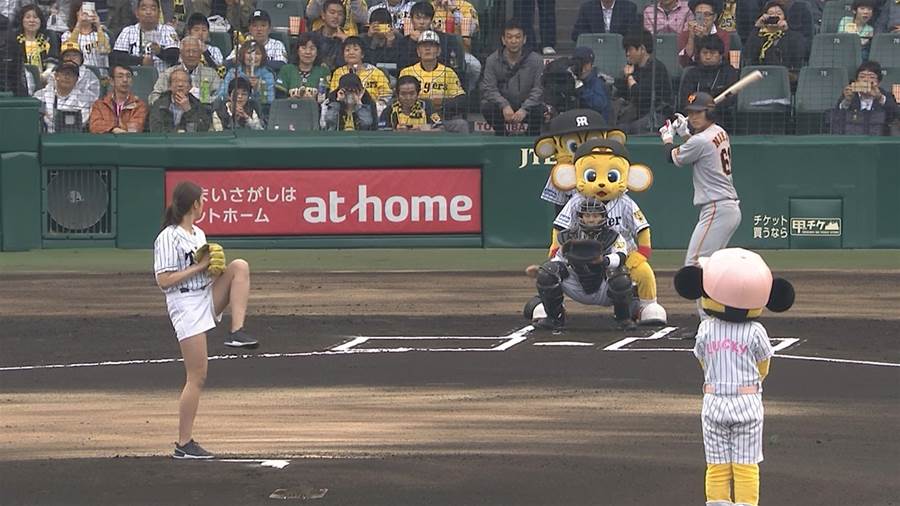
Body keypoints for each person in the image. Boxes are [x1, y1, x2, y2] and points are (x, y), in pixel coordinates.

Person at [674, 248, 794, 506]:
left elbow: (703, 359)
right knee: (746, 464)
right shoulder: (756, 331)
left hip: (714, 401)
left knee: (717, 465)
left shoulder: (706, 328)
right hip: (748, 403)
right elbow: (764, 365)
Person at [154, 180, 258, 459]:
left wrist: (214, 270)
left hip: (204, 295)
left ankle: (237, 331)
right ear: (195, 204)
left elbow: (204, 272)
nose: (205, 205)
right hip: (185, 305)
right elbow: (164, 281)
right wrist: (199, 267)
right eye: (202, 200)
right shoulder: (168, 237)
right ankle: (184, 444)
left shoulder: (199, 233)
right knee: (197, 376)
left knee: (239, 267)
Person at [529, 198, 637, 331]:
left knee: (621, 276)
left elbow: (621, 257)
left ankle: (623, 318)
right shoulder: (568, 236)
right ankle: (554, 318)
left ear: (603, 217)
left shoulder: (613, 236)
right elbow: (559, 260)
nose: (591, 220)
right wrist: (541, 271)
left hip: (603, 286)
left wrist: (603, 261)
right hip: (575, 282)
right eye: (587, 215)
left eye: (595, 216)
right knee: (548, 271)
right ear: (580, 217)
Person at [660, 91, 740, 268]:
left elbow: (671, 157)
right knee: (710, 266)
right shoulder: (719, 131)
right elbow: (697, 148)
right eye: (690, 113)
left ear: (710, 113)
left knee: (694, 264)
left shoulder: (701, 140)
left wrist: (667, 137)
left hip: (717, 207)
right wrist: (684, 133)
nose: (693, 117)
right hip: (726, 207)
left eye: (698, 112)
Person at [480, 19, 544, 136]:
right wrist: (504, 105)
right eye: (509, 37)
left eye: (517, 37)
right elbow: (489, 88)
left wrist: (524, 109)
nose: (513, 41)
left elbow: (538, 89)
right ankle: (502, 134)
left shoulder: (536, 60)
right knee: (487, 107)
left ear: (524, 39)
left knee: (540, 110)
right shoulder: (492, 60)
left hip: (527, 105)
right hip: (503, 106)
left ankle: (531, 137)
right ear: (503, 40)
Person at [614, 29, 673, 133]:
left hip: (657, 114)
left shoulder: (656, 68)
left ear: (642, 49)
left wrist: (630, 77)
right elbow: (621, 94)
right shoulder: (633, 68)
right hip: (637, 113)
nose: (627, 54)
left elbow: (641, 97)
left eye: (630, 50)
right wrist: (624, 77)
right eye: (626, 50)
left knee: (633, 128)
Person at [398, 30, 465, 119]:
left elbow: (461, 100)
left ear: (439, 51)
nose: (427, 48)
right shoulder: (407, 72)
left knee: (460, 124)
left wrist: (442, 102)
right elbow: (399, 99)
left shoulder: (448, 72)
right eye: (424, 46)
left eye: (432, 45)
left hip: (442, 117)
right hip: (412, 117)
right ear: (418, 51)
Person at [742, 1, 806, 84]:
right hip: (760, 78)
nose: (774, 16)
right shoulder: (758, 36)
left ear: (785, 18)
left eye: (779, 14)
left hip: (785, 78)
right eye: (771, 14)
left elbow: (798, 55)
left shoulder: (794, 37)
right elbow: (748, 54)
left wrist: (787, 32)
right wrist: (756, 27)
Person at [110, 0, 181, 73]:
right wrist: (140, 60)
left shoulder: (168, 30)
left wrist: (160, 52)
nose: (148, 12)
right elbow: (116, 57)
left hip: (163, 76)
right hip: (134, 76)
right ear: (137, 13)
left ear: (159, 13)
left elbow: (175, 55)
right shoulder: (128, 31)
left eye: (153, 9)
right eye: (144, 9)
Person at [830, 60, 899, 136]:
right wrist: (847, 101)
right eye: (862, 77)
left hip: (878, 140)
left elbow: (895, 115)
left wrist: (880, 98)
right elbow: (837, 118)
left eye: (871, 77)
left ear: (878, 82)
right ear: (856, 80)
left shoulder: (886, 96)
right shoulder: (849, 95)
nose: (866, 80)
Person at [149, 36, 222, 105]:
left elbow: (219, 99)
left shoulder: (211, 74)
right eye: (187, 51)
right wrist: (172, 100)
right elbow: (153, 97)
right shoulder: (169, 73)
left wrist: (203, 99)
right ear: (181, 54)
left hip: (202, 112)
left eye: (194, 51)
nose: (191, 54)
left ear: (200, 54)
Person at [329, 36, 392, 114]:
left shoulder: (376, 72)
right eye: (347, 50)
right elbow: (333, 96)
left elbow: (387, 95)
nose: (351, 53)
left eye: (355, 49)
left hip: (372, 111)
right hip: (343, 111)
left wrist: (375, 107)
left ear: (362, 54)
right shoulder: (338, 73)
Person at [678, 34, 739, 115]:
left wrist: (713, 107)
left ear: (720, 55)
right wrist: (698, 106)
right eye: (704, 53)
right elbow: (686, 98)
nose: (708, 56)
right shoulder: (692, 73)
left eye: (712, 53)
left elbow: (731, 99)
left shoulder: (729, 72)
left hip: (721, 115)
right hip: (694, 114)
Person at [33, 62, 93, 132]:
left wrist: (49, 117)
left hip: (73, 135)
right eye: (64, 74)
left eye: (71, 75)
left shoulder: (85, 98)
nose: (67, 77)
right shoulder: (40, 95)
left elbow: (81, 122)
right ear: (56, 76)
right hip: (45, 135)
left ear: (76, 80)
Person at [149, 66, 212, 132]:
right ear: (169, 86)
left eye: (184, 81)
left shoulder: (197, 105)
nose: (180, 84)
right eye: (176, 81)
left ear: (190, 86)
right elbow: (156, 130)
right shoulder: (160, 105)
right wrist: (177, 132)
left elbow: (201, 130)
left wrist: (188, 110)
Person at [90, 63, 149, 133]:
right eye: (120, 76)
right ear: (111, 81)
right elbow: (95, 126)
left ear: (132, 81)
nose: (125, 80)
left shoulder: (139, 105)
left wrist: (107, 127)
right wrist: (113, 129)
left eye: (128, 76)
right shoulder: (99, 105)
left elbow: (136, 127)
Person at [61, 0, 111, 75]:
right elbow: (69, 51)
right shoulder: (67, 35)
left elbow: (104, 51)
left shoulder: (102, 34)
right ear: (76, 13)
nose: (86, 14)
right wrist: (79, 23)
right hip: (75, 74)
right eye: (83, 11)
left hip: (98, 74)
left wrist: (98, 25)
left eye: (89, 11)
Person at [276, 32, 331, 99]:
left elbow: (326, 97)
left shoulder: (323, 70)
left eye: (312, 49)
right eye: (304, 48)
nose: (308, 52)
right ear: (297, 50)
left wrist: (313, 99)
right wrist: (291, 99)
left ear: (317, 52)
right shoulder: (287, 69)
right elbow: (279, 97)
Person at [219, 40, 276, 106]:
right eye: (249, 53)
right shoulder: (233, 72)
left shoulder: (267, 75)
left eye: (257, 54)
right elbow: (221, 96)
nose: (253, 57)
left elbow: (269, 100)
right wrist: (233, 86)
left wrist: (257, 89)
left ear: (262, 56)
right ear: (243, 55)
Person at [15, 4, 55, 93]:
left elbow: (52, 62)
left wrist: (45, 75)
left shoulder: (48, 39)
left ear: (40, 20)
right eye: (28, 17)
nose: (32, 20)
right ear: (21, 20)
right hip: (21, 83)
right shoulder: (15, 40)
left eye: (35, 17)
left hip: (45, 84)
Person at [678, 0, 730, 66]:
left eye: (707, 14)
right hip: (691, 70)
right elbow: (684, 62)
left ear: (714, 17)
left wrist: (705, 37)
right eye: (699, 14)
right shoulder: (686, 34)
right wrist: (691, 37)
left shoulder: (723, 34)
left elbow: (722, 59)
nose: (703, 18)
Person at [569, 46, 611, 122]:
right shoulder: (572, 79)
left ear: (590, 65)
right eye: (577, 64)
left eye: (585, 64)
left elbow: (599, 104)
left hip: (597, 124)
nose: (582, 68)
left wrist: (581, 88)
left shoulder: (597, 82)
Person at [572, 0, 640, 40]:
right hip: (595, 51)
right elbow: (576, 35)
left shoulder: (629, 8)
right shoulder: (587, 8)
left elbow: (633, 35)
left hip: (620, 52)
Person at [312, 0, 350, 69]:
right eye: (332, 12)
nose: (336, 16)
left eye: (340, 14)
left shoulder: (347, 39)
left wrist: (347, 41)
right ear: (323, 15)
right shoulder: (312, 37)